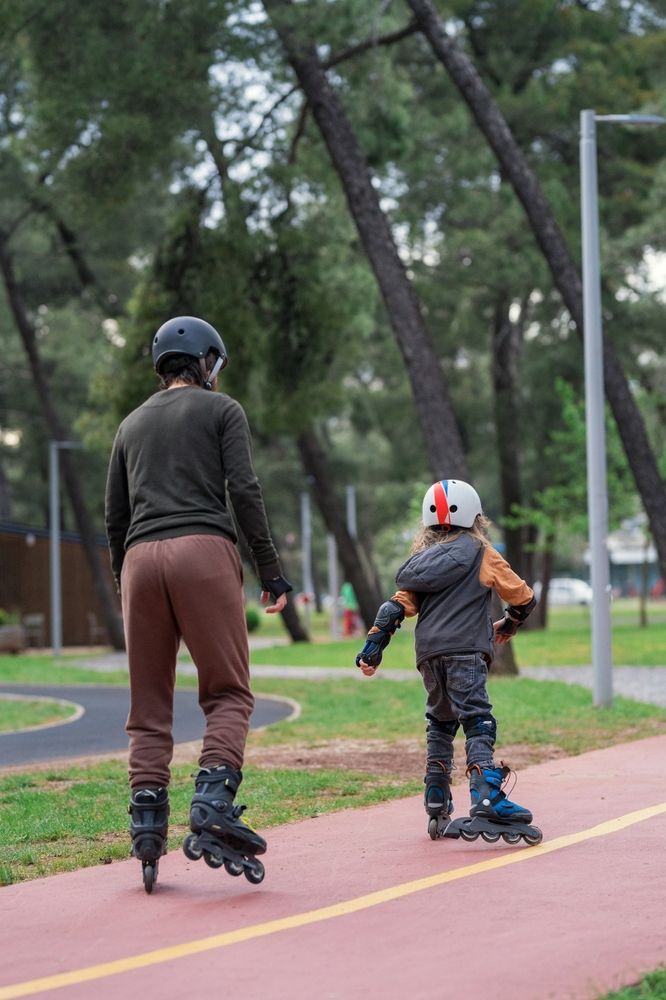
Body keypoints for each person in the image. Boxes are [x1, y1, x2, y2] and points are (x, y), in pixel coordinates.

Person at [105, 315, 292, 891]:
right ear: (207, 362)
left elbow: (115, 516)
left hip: (140, 560)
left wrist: (125, 581)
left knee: (149, 702)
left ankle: (146, 825)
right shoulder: (222, 410)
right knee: (228, 691)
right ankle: (212, 800)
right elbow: (243, 489)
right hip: (203, 551)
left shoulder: (130, 425)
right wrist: (270, 569)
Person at [355, 478, 542, 845]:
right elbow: (523, 597)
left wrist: (372, 650)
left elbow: (393, 608)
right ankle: (486, 795)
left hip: (429, 655)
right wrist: (511, 622)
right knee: (477, 718)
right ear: (475, 516)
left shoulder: (420, 564)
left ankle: (436, 794)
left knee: (440, 721)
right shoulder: (481, 552)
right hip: (466, 651)